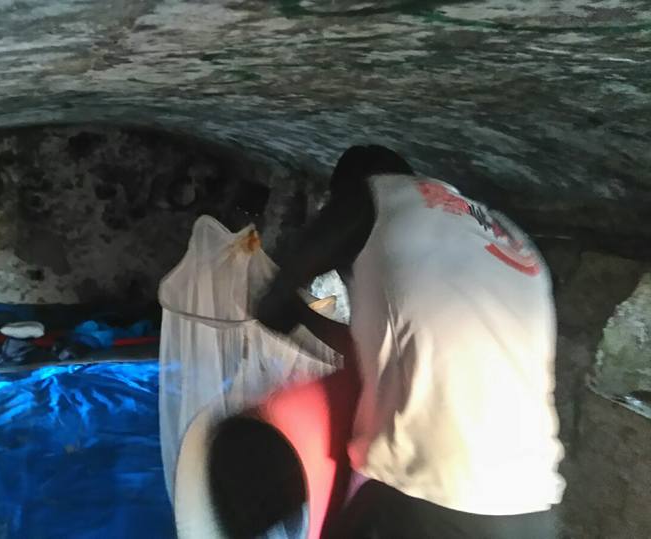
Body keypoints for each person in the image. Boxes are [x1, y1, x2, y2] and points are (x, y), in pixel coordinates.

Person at [210, 145, 565, 538]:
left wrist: (284, 304)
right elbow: (420, 344)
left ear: (346, 192)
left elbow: (274, 307)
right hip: (533, 503)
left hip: (432, 490)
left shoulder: (376, 195)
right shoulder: (507, 234)